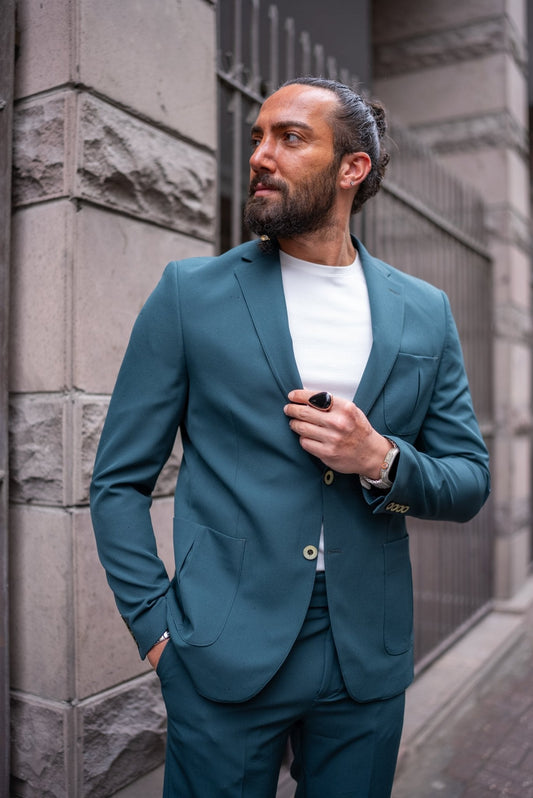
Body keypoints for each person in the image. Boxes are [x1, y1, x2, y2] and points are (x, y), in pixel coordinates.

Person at [90, 76, 490, 798]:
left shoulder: (424, 310)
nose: (260, 155)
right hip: (220, 648)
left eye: (290, 137)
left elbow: (467, 479)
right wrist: (157, 633)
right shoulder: (189, 294)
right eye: (257, 137)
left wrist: (380, 460)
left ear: (352, 167)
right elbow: (118, 482)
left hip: (366, 653)